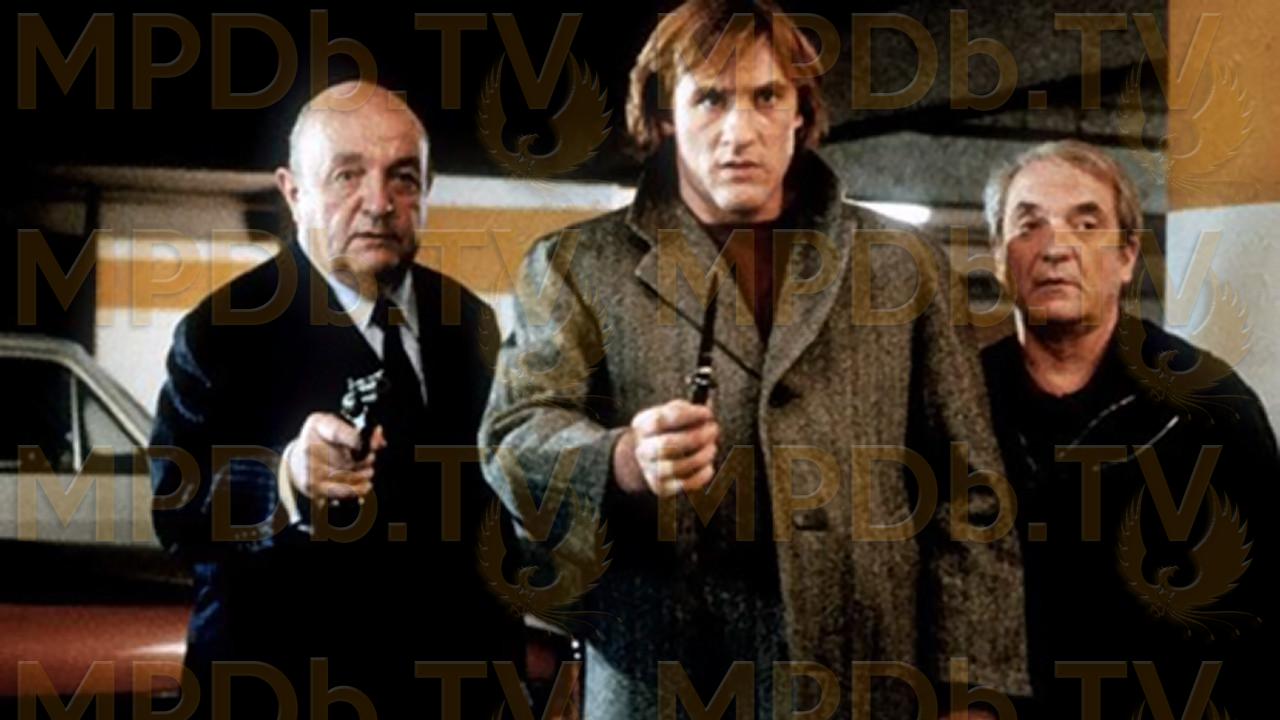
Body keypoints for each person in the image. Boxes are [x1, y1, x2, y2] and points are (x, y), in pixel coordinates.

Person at [481, 2, 1029, 717]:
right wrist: (621, 460)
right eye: (710, 99)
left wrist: (974, 691)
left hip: (866, 682)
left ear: (800, 111)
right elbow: (514, 440)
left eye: (766, 96)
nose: (740, 131)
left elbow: (970, 493)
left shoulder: (903, 266)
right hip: (664, 683)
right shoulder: (578, 265)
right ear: (666, 114)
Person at [149, 81, 520, 718]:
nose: (379, 203)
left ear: (427, 190)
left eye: (403, 177)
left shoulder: (469, 321)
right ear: (293, 192)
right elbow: (176, 510)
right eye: (348, 175)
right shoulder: (222, 332)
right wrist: (287, 479)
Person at [981, 139, 1277, 718]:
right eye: (1029, 225)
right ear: (998, 255)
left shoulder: (1208, 409)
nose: (1055, 248)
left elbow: (1263, 611)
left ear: (1126, 257)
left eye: (1086, 224)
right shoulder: (957, 402)